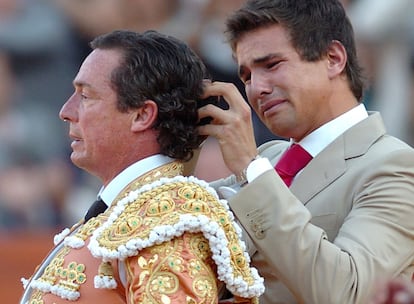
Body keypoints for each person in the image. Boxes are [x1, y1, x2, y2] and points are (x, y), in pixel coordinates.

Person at [19, 29, 264, 304]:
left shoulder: (169, 221)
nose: (66, 111)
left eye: (86, 97)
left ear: (142, 115)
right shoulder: (132, 210)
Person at [197, 0, 414, 303]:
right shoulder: (269, 157)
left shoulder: (396, 165)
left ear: (333, 58)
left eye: (272, 65)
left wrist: (251, 170)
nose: (256, 88)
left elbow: (348, 292)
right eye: (246, 77)